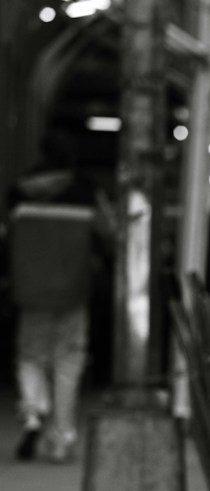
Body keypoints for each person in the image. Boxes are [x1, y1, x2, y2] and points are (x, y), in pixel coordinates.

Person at [7, 135, 106, 462]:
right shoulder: (85, 193)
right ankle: (62, 436)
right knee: (68, 362)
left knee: (30, 355)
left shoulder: (18, 193)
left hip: (30, 289)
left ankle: (34, 411)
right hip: (72, 290)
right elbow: (109, 232)